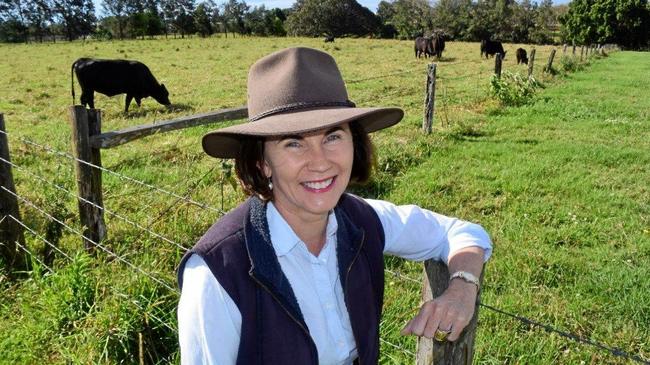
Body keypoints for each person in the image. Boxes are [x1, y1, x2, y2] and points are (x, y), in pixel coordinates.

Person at [177, 47, 492, 365]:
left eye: (332, 136)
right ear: (261, 163)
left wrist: (462, 288)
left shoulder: (363, 220)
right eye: (294, 142)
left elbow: (461, 232)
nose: (319, 162)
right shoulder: (216, 273)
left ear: (354, 144)